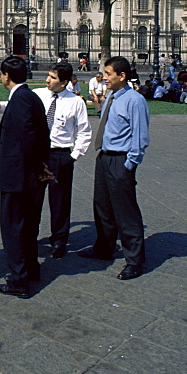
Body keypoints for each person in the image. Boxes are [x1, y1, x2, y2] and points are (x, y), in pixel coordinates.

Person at [0, 56, 50, 299]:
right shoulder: (29, 97)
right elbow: (41, 134)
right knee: (29, 225)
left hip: (18, 175)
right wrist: (42, 164)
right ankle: (31, 269)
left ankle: (19, 279)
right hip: (30, 173)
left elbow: (26, 138)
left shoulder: (21, 99)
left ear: (6, 76)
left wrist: (35, 166)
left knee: (13, 226)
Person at [80, 56, 150, 280]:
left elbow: (140, 137)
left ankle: (134, 260)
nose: (104, 77)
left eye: (108, 73)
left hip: (121, 160)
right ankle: (104, 247)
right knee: (102, 206)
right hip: (105, 156)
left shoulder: (134, 100)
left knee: (125, 211)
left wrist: (130, 164)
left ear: (122, 76)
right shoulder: (111, 96)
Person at [32, 63, 91, 259]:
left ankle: (59, 240)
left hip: (60, 154)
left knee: (60, 200)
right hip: (39, 154)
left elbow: (84, 131)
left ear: (64, 82)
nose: (47, 80)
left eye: (52, 77)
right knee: (33, 198)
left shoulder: (76, 102)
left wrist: (73, 156)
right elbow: (18, 104)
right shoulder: (39, 95)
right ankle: (30, 236)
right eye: (48, 76)